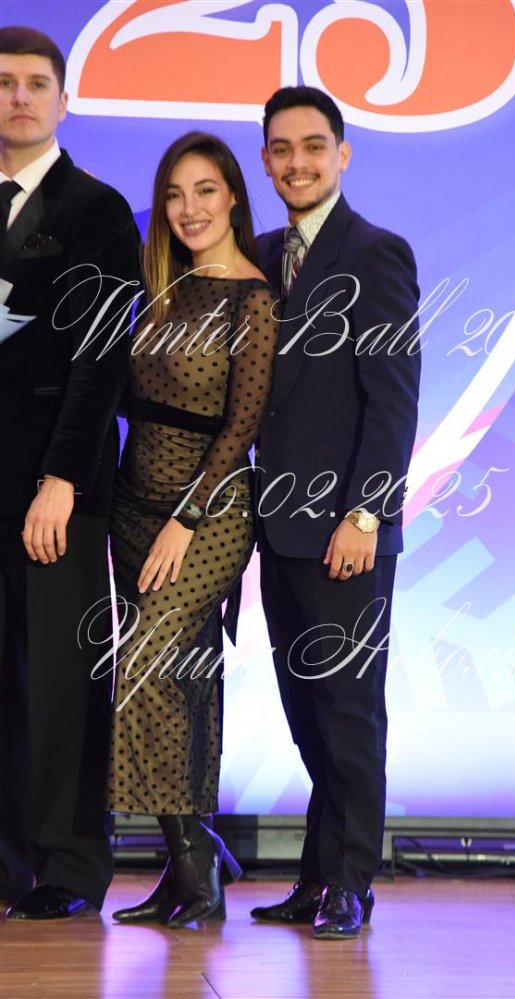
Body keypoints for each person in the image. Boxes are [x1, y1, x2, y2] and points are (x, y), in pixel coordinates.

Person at [251, 86, 421, 939]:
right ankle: (318, 877)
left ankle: (352, 884)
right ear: (265, 159)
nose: (298, 162)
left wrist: (365, 514)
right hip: (277, 528)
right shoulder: (259, 255)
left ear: (343, 154)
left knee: (351, 713)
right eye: (282, 149)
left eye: (313, 146)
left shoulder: (376, 252)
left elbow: (393, 398)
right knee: (306, 713)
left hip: (347, 532)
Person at [107, 131, 279, 928]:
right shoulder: (161, 289)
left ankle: (197, 862)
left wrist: (185, 516)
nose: (189, 208)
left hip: (208, 512)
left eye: (205, 190)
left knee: (145, 668)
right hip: (132, 503)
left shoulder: (254, 299)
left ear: (234, 196)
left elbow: (242, 426)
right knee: (183, 680)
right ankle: (187, 869)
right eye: (174, 194)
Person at [0, 27, 142, 919]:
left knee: (61, 679)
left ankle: (70, 863)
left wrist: (62, 480)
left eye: (34, 83)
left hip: (58, 486)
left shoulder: (96, 209)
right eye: (2, 83)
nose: (17, 97)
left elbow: (100, 360)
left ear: (64, 100)